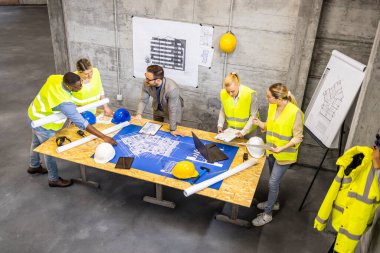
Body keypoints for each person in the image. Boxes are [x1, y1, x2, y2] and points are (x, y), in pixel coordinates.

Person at [27, 72, 117, 187]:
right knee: (49, 151)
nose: (80, 87)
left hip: (33, 113)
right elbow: (82, 123)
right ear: (69, 86)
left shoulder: (55, 78)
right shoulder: (64, 103)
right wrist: (104, 137)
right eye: (77, 86)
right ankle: (53, 179)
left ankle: (34, 166)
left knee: (35, 141)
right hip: (43, 123)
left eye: (81, 83)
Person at [251, 83, 304, 226]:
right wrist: (259, 123)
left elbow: (298, 137)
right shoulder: (272, 106)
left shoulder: (295, 112)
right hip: (271, 151)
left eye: (269, 96)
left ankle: (267, 214)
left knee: (273, 182)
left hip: (285, 155)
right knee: (274, 182)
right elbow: (269, 126)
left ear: (278, 98)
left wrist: (282, 148)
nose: (266, 98)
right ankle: (274, 202)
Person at [133, 65, 184, 137]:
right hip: (157, 108)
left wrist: (173, 129)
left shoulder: (172, 88)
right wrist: (139, 114)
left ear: (158, 80)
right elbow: (143, 100)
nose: (146, 80)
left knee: (169, 133)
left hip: (172, 110)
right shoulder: (146, 82)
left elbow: (172, 109)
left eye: (148, 79)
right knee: (155, 130)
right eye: (145, 76)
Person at [218, 72, 259, 138]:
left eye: (232, 91)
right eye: (228, 91)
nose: (230, 94)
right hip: (232, 131)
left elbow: (253, 116)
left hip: (249, 131)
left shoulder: (250, 94)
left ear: (238, 85)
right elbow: (223, 110)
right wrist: (220, 125)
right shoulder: (223, 93)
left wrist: (243, 132)